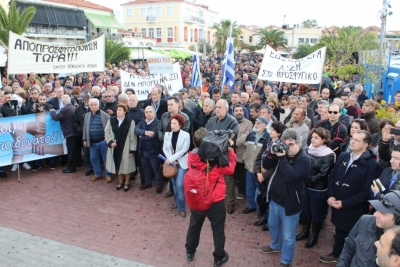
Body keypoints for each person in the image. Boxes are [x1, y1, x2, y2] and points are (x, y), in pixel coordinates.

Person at [319, 130, 382, 263]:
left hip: (354, 210)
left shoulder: (371, 165)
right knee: (339, 231)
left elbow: (366, 192)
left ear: (366, 145)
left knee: (350, 236)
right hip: (337, 204)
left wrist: (345, 203)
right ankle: (336, 254)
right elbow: (333, 176)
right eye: (352, 138)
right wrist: (331, 195)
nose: (352, 141)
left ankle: (346, 259)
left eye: (357, 140)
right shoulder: (344, 156)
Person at [259, 128, 311, 267]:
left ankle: (286, 261)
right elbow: (266, 165)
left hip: (290, 204)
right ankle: (276, 245)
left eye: (291, 145)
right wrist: (271, 153)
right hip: (274, 200)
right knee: (273, 226)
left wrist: (281, 158)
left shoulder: (304, 160)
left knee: (288, 236)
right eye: (285, 144)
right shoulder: (281, 153)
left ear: (299, 144)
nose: (288, 148)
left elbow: (290, 176)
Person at [185, 127, 236, 267]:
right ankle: (219, 257)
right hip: (215, 201)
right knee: (218, 230)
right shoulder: (217, 161)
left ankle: (190, 251)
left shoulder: (191, 158)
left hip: (197, 199)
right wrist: (230, 150)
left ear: (195, 144)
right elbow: (230, 169)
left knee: (194, 226)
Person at [337, 191, 400, 267]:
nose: (375, 214)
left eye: (383, 213)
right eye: (377, 209)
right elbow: (348, 248)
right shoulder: (365, 221)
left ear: (398, 220)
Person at [296, 128, 335, 248]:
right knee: (306, 210)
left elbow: (323, 173)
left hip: (318, 189)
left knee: (316, 213)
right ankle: (305, 231)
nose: (313, 139)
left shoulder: (328, 154)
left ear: (324, 140)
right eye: (312, 137)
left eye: (316, 137)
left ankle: (314, 236)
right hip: (306, 187)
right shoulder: (307, 150)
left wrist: (306, 179)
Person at [206, 99, 239, 214]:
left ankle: (230, 202)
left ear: (226, 108)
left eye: (219, 107)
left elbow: (230, 138)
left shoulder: (232, 121)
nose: (217, 109)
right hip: (211, 153)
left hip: (225, 154)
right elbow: (206, 135)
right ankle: (212, 198)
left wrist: (217, 137)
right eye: (216, 107)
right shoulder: (211, 120)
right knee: (211, 177)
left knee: (228, 179)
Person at [105, 103, 137, 192]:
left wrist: (132, 150)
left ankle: (127, 182)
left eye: (120, 110)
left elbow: (132, 137)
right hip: (115, 147)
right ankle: (120, 182)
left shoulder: (130, 121)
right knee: (117, 164)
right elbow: (106, 131)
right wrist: (110, 142)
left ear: (125, 111)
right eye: (117, 110)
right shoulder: (111, 120)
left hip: (125, 147)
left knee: (126, 166)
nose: (118, 112)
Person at [163, 114, 190, 217]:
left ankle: (181, 207)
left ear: (180, 124)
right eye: (171, 123)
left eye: (175, 123)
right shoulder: (167, 135)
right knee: (174, 184)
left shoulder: (186, 135)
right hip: (172, 164)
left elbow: (184, 150)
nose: (172, 125)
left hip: (182, 163)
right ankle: (176, 202)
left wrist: (171, 159)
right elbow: (165, 149)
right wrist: (171, 160)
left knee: (179, 185)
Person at [242, 116, 270, 214]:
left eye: (259, 123)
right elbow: (245, 148)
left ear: (265, 126)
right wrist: (245, 159)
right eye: (256, 123)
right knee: (249, 189)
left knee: (258, 191)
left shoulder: (268, 137)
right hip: (249, 166)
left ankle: (259, 210)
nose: (256, 125)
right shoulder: (250, 135)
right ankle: (251, 206)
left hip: (260, 170)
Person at [134, 106, 163, 194]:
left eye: (150, 112)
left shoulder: (157, 123)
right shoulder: (142, 121)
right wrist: (145, 133)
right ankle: (148, 183)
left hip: (153, 151)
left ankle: (159, 185)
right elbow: (135, 129)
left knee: (156, 169)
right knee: (146, 168)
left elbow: (152, 136)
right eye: (146, 112)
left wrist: (141, 136)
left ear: (154, 113)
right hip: (143, 151)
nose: (148, 113)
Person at [83, 98, 111, 183]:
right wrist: (85, 139)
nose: (93, 106)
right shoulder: (87, 115)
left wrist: (107, 138)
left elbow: (110, 127)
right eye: (91, 105)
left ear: (98, 105)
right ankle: (98, 174)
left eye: (95, 105)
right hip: (92, 142)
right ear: (89, 106)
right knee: (93, 159)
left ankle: (108, 175)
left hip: (103, 142)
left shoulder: (105, 115)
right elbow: (85, 127)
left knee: (106, 159)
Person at [50, 95, 80, 173]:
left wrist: (52, 111)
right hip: (76, 132)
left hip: (69, 133)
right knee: (76, 151)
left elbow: (55, 118)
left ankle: (71, 168)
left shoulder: (64, 109)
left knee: (71, 152)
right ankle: (77, 164)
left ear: (63, 102)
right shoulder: (74, 108)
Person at [233, 104, 253, 200]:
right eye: (236, 110)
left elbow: (246, 135)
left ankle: (241, 191)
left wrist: (234, 144)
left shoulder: (248, 123)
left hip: (242, 153)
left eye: (240, 110)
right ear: (233, 112)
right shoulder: (231, 122)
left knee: (241, 175)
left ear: (243, 112)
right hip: (230, 153)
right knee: (232, 174)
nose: (239, 112)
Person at [73, 92, 92, 176]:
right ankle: (89, 167)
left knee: (95, 151)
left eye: (88, 98)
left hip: (95, 132)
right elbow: (75, 122)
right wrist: (80, 130)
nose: (87, 100)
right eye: (85, 99)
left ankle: (96, 166)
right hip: (84, 134)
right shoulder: (78, 109)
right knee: (86, 151)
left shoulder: (94, 107)